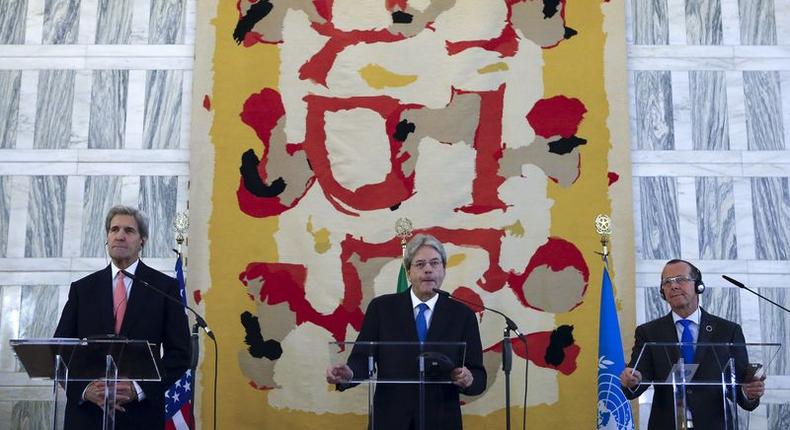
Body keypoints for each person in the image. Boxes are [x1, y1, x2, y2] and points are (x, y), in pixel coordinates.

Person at [326, 234, 486, 430]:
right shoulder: (382, 309)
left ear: (443, 270)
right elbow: (362, 359)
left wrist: (469, 379)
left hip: (441, 420)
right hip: (390, 419)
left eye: (435, 263)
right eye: (420, 264)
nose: (428, 269)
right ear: (408, 272)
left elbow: (478, 376)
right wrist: (348, 374)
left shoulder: (463, 315)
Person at [54, 206, 190, 429]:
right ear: (107, 237)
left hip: (139, 415)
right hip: (87, 416)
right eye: (114, 229)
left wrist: (139, 389)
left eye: (129, 230)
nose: (120, 235)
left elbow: (180, 354)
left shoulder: (164, 288)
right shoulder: (82, 289)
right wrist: (85, 390)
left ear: (142, 240)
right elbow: (60, 350)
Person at [619, 259, 766, 430]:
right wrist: (631, 381)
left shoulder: (727, 331)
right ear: (662, 292)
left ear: (698, 286)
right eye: (667, 282)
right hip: (666, 424)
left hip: (715, 424)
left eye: (680, 279)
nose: (673, 286)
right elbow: (637, 381)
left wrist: (748, 392)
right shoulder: (649, 332)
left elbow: (740, 385)